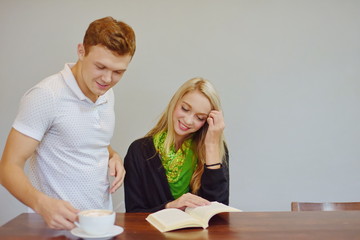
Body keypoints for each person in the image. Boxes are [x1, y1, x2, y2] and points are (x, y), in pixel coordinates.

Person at [0, 16, 136, 230]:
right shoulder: (46, 95)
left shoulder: (106, 93)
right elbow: (8, 167)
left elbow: (85, 139)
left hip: (99, 224)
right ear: (81, 51)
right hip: (53, 229)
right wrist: (41, 204)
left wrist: (113, 154)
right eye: (100, 66)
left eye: (118, 72)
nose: (108, 79)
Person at [124, 77, 229, 212]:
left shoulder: (215, 150)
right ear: (174, 103)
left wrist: (211, 147)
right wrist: (170, 206)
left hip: (199, 233)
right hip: (154, 233)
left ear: (207, 121)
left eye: (200, 118)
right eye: (185, 109)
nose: (188, 120)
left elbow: (219, 211)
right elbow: (133, 214)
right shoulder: (139, 151)